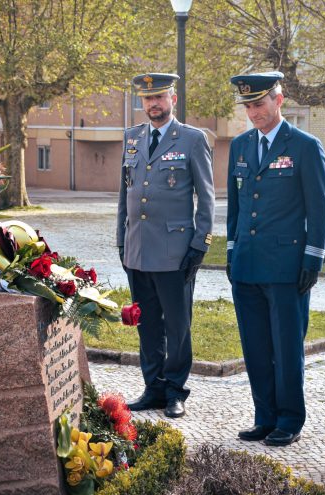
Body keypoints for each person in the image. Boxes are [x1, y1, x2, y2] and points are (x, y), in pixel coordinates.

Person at [226, 71, 325, 447]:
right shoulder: (240, 146)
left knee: (286, 348)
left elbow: (320, 208)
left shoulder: (304, 146)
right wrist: (232, 251)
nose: (253, 112)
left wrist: (312, 259)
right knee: (255, 347)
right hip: (247, 265)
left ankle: (289, 419)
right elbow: (236, 206)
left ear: (279, 100)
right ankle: (264, 416)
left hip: (287, 267)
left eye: (259, 104)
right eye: (248, 106)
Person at [116, 72, 215, 418]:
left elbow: (206, 197)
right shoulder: (132, 137)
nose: (153, 104)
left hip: (175, 252)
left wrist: (200, 243)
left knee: (177, 326)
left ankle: (175, 390)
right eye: (147, 99)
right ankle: (153, 388)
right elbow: (124, 193)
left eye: (159, 97)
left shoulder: (192, 139)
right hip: (138, 249)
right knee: (147, 324)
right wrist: (121, 240)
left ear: (173, 98)